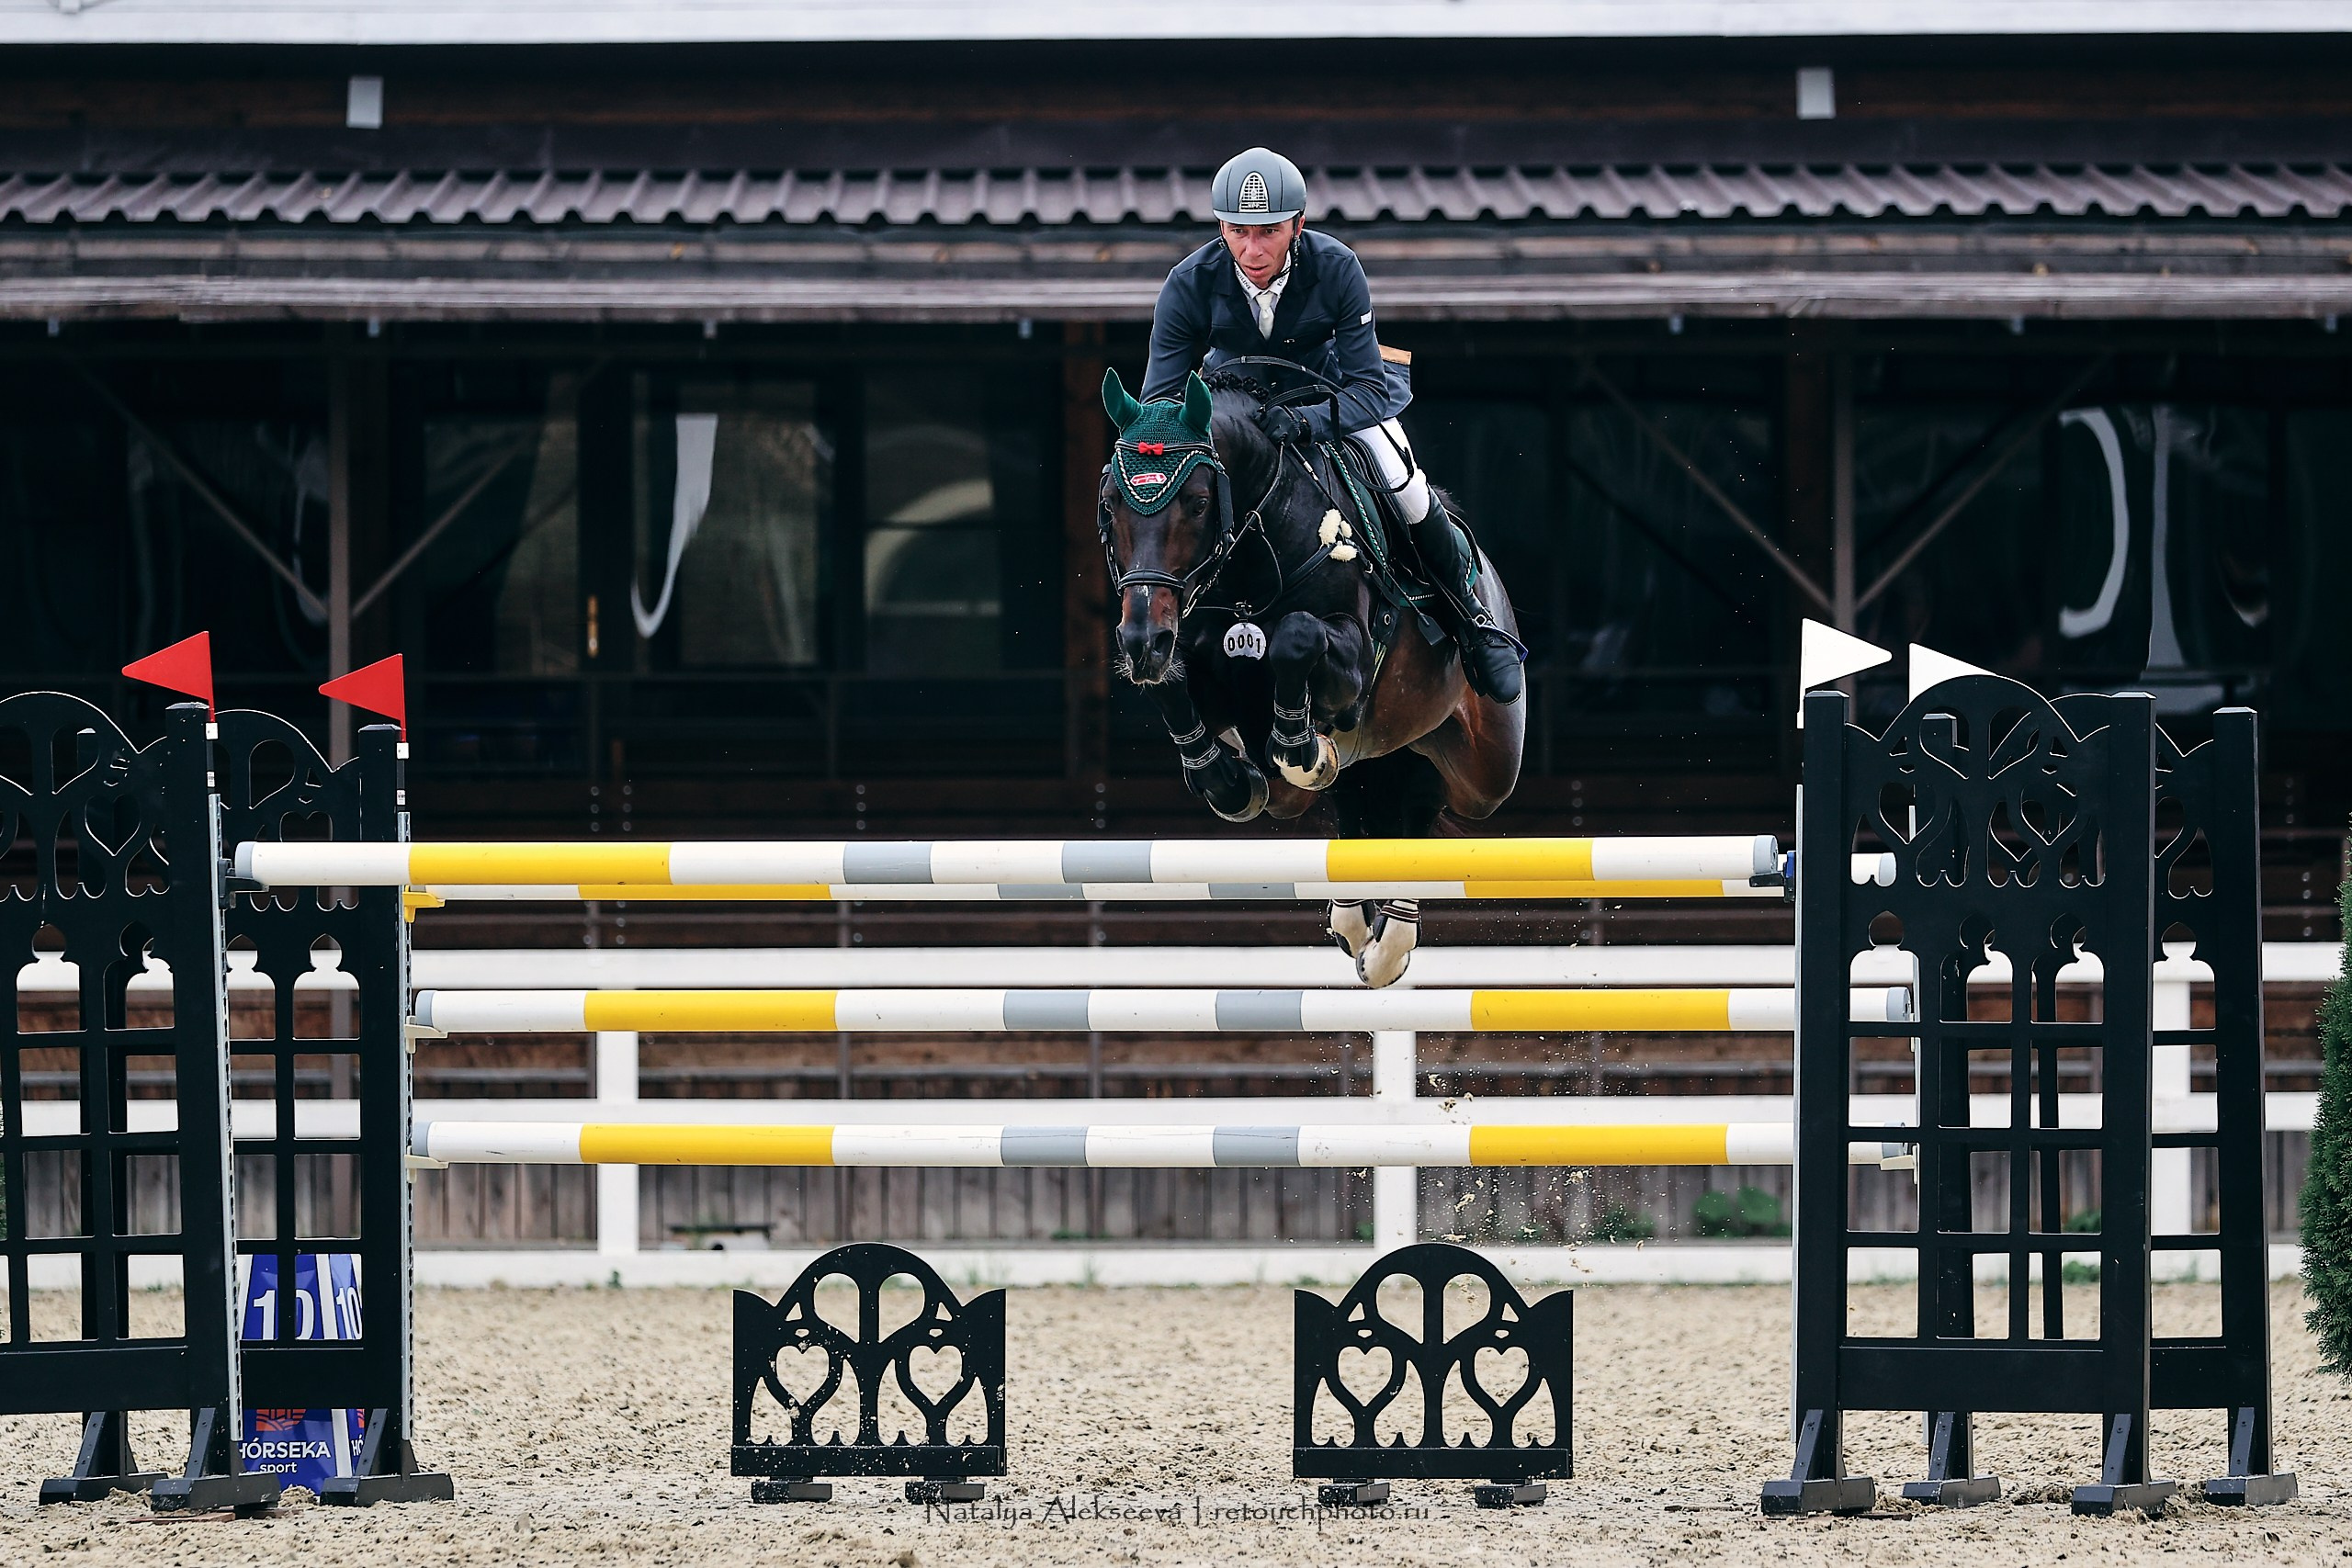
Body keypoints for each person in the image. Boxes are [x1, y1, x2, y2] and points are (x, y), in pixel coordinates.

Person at [1139, 146, 1524, 705]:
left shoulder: (1338, 267)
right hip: (1234, 413)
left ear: (1297, 225)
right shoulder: (1189, 281)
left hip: (1329, 398)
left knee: (1404, 483)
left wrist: (1308, 422)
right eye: (1238, 231)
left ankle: (1474, 620)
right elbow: (1161, 398)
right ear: (1221, 226)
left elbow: (1369, 389)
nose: (1252, 250)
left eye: (1268, 231)